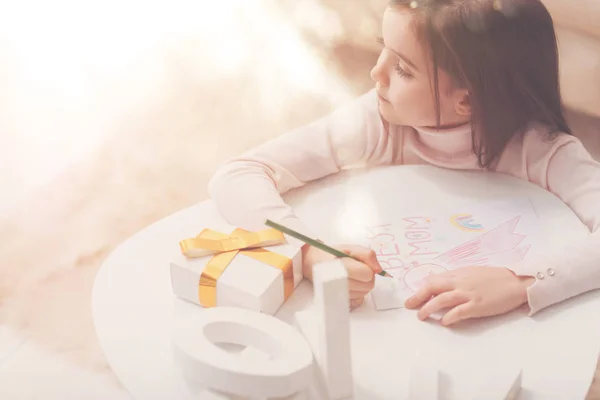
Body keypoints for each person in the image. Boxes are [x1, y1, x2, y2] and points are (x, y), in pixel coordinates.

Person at [207, 0, 600, 326]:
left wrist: (519, 282)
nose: (374, 72)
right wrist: (310, 252)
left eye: (402, 68)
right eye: (383, 49)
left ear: (466, 100)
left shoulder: (546, 152)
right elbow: (239, 175)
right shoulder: (375, 123)